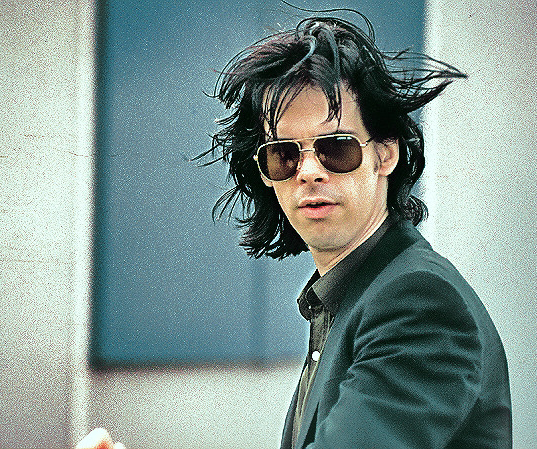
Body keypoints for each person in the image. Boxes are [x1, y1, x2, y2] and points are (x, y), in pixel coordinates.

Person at [77, 11, 512, 449]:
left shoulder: (416, 301)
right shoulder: (354, 296)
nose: (308, 172)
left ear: (385, 155)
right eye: (284, 154)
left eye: (336, 148)